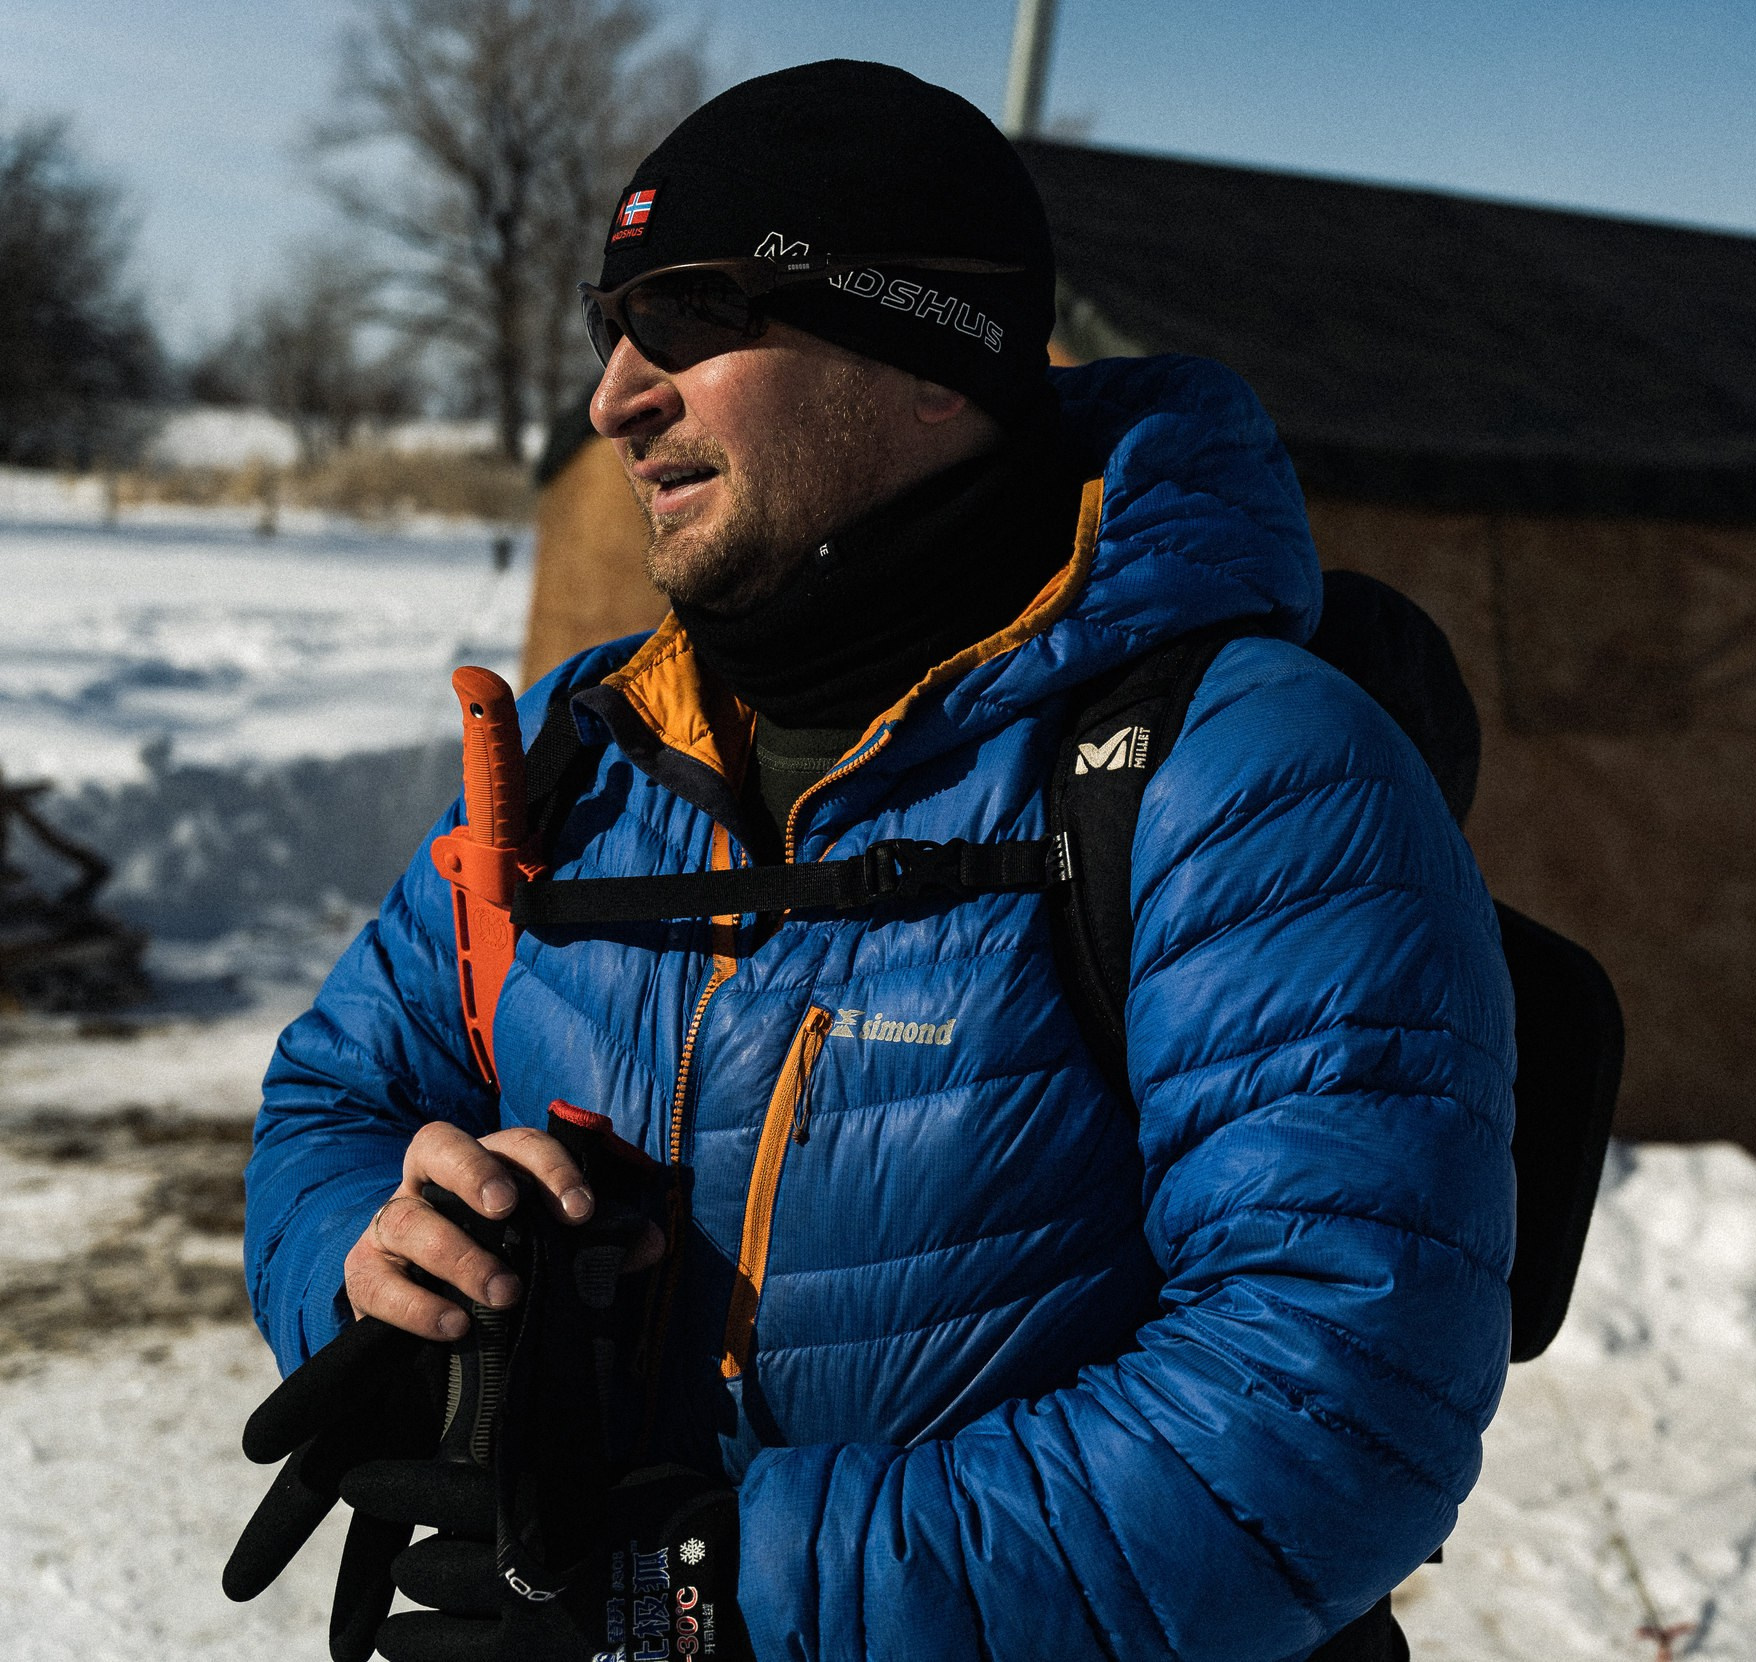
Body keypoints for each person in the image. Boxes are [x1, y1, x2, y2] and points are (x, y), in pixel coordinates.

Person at [244, 59, 1515, 1662]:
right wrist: (373, 1254)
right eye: (609, 323)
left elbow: (1328, 1412)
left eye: (693, 313)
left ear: (929, 353)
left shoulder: (1240, 768)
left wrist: (721, 1591)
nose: (615, 394)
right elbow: (332, 1101)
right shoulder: (583, 745)